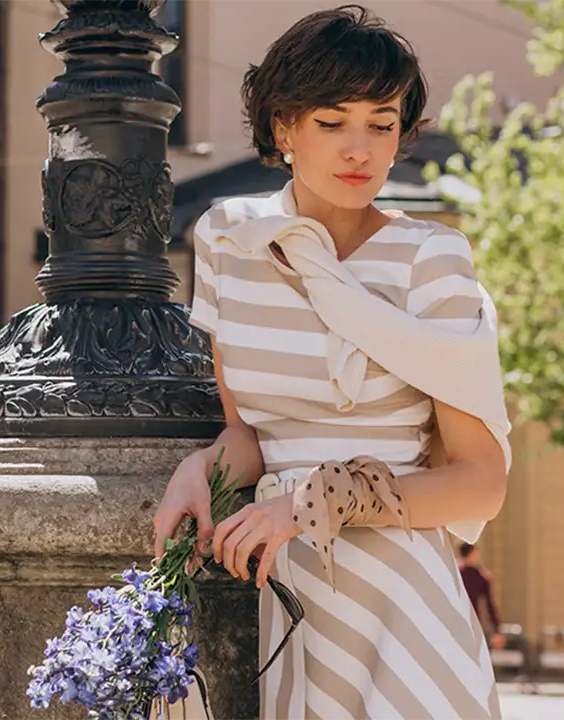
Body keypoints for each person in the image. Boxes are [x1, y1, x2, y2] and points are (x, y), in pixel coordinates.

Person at [152, 7, 510, 719]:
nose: (360, 148)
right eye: (332, 121)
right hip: (293, 602)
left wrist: (321, 501)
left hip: (404, 607)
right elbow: (250, 434)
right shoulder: (230, 240)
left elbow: (479, 485)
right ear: (283, 128)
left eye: (382, 123)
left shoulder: (430, 258)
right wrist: (200, 473)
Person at [458, 542, 506, 650]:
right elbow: (490, 605)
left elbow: (490, 605)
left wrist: (497, 630)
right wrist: (497, 630)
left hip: (460, 620)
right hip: (470, 621)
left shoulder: (456, 573)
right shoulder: (479, 577)